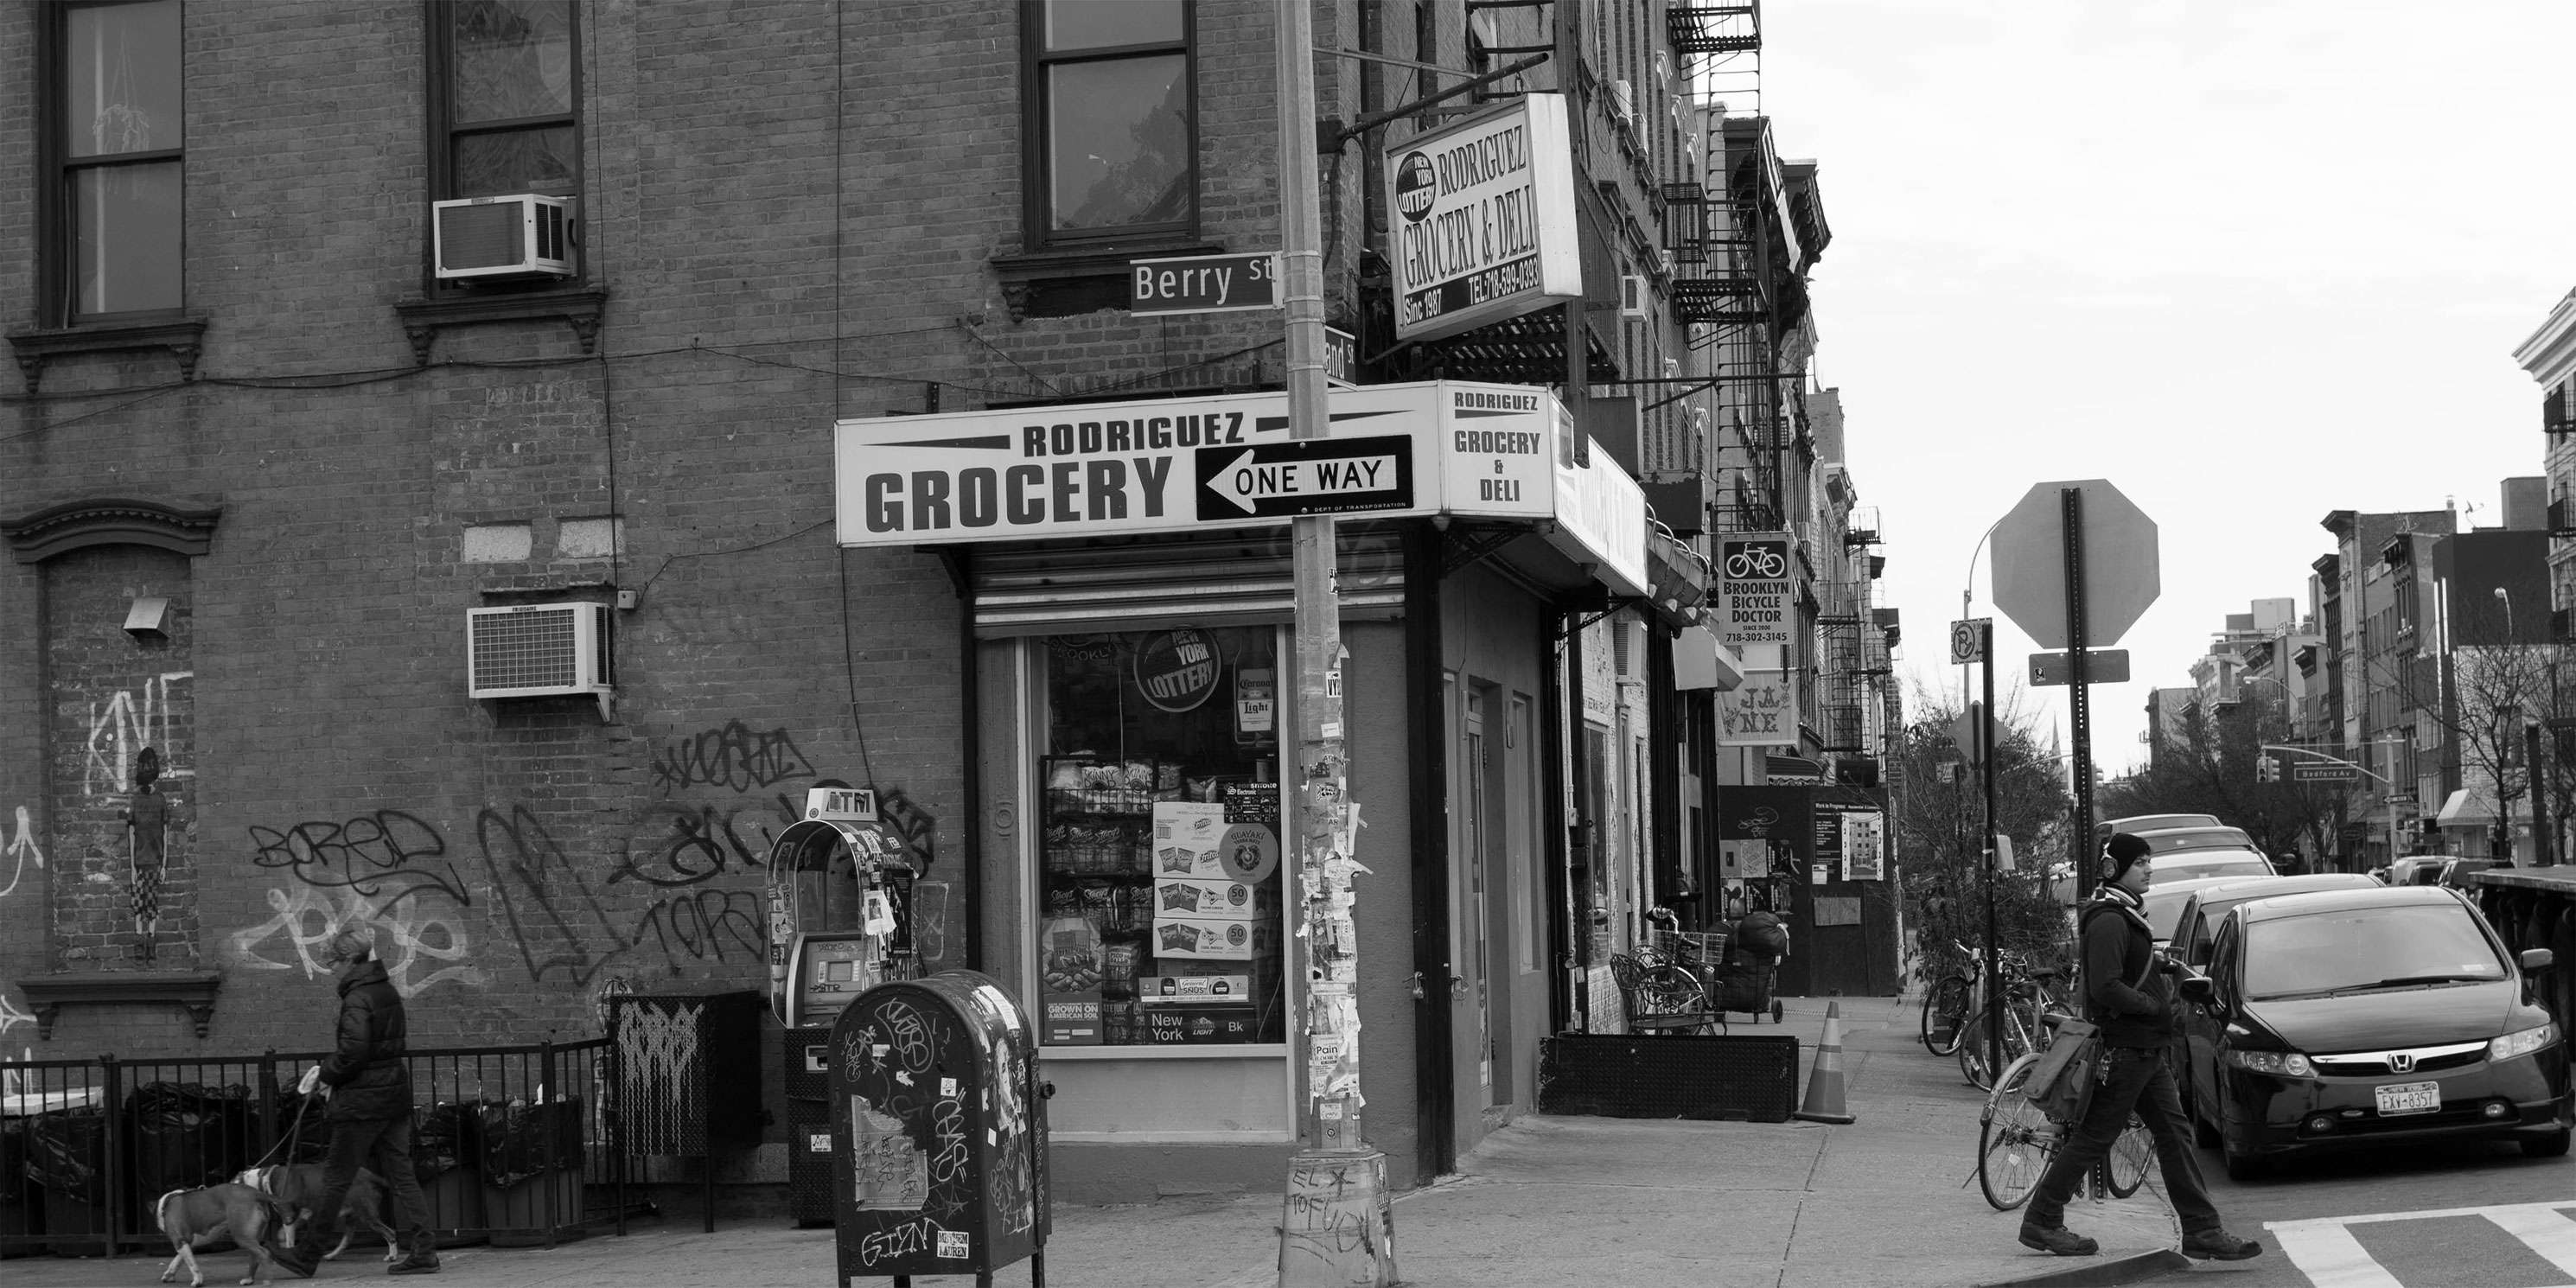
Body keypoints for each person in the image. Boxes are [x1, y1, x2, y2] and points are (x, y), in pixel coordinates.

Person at [2017, 833, 2262, 1263]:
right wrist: (2152, 1005)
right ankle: (2042, 1219)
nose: (2149, 869)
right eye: (2141, 863)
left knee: (2175, 1135)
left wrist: (2160, 964)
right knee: (2095, 1137)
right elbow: (2105, 987)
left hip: (2146, 1053)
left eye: (2149, 861)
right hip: (2126, 1051)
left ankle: (2202, 1231)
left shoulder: (2128, 917)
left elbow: (2125, 969)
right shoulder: (2110, 919)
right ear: (2115, 869)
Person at [273, 926, 441, 1277]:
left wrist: (324, 1074)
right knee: (403, 1175)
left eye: (333, 962)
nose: (331, 969)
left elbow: (353, 1052)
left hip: (363, 1102)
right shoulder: (386, 991)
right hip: (393, 1095)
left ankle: (307, 1257)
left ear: (350, 960)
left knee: (336, 1178)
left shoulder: (357, 998)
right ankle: (424, 1250)